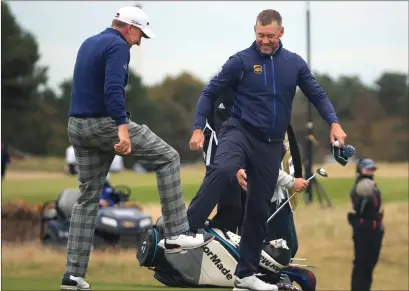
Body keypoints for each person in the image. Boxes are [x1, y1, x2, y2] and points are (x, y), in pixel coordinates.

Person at [188, 9, 347, 291]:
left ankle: (245, 275)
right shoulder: (241, 61)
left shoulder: (294, 63)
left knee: (258, 209)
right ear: (255, 31)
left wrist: (334, 124)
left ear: (281, 33)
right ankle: (188, 228)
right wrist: (198, 128)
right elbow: (209, 93)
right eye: (260, 35)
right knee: (224, 168)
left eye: (270, 36)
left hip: (271, 143)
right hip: (239, 131)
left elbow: (317, 95)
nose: (264, 41)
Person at [61, 6, 212, 290]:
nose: (140, 40)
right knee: (168, 158)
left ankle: (73, 275)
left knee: (87, 198)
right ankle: (177, 233)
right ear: (129, 27)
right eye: (140, 33)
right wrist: (121, 129)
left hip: (76, 126)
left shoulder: (89, 42)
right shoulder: (119, 46)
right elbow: (113, 88)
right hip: (104, 124)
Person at [348, 158, 384, 291]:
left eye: (372, 168)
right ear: (360, 170)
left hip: (374, 229)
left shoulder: (369, 183)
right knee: (362, 265)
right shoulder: (364, 185)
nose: (370, 171)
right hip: (365, 230)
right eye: (367, 168)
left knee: (368, 265)